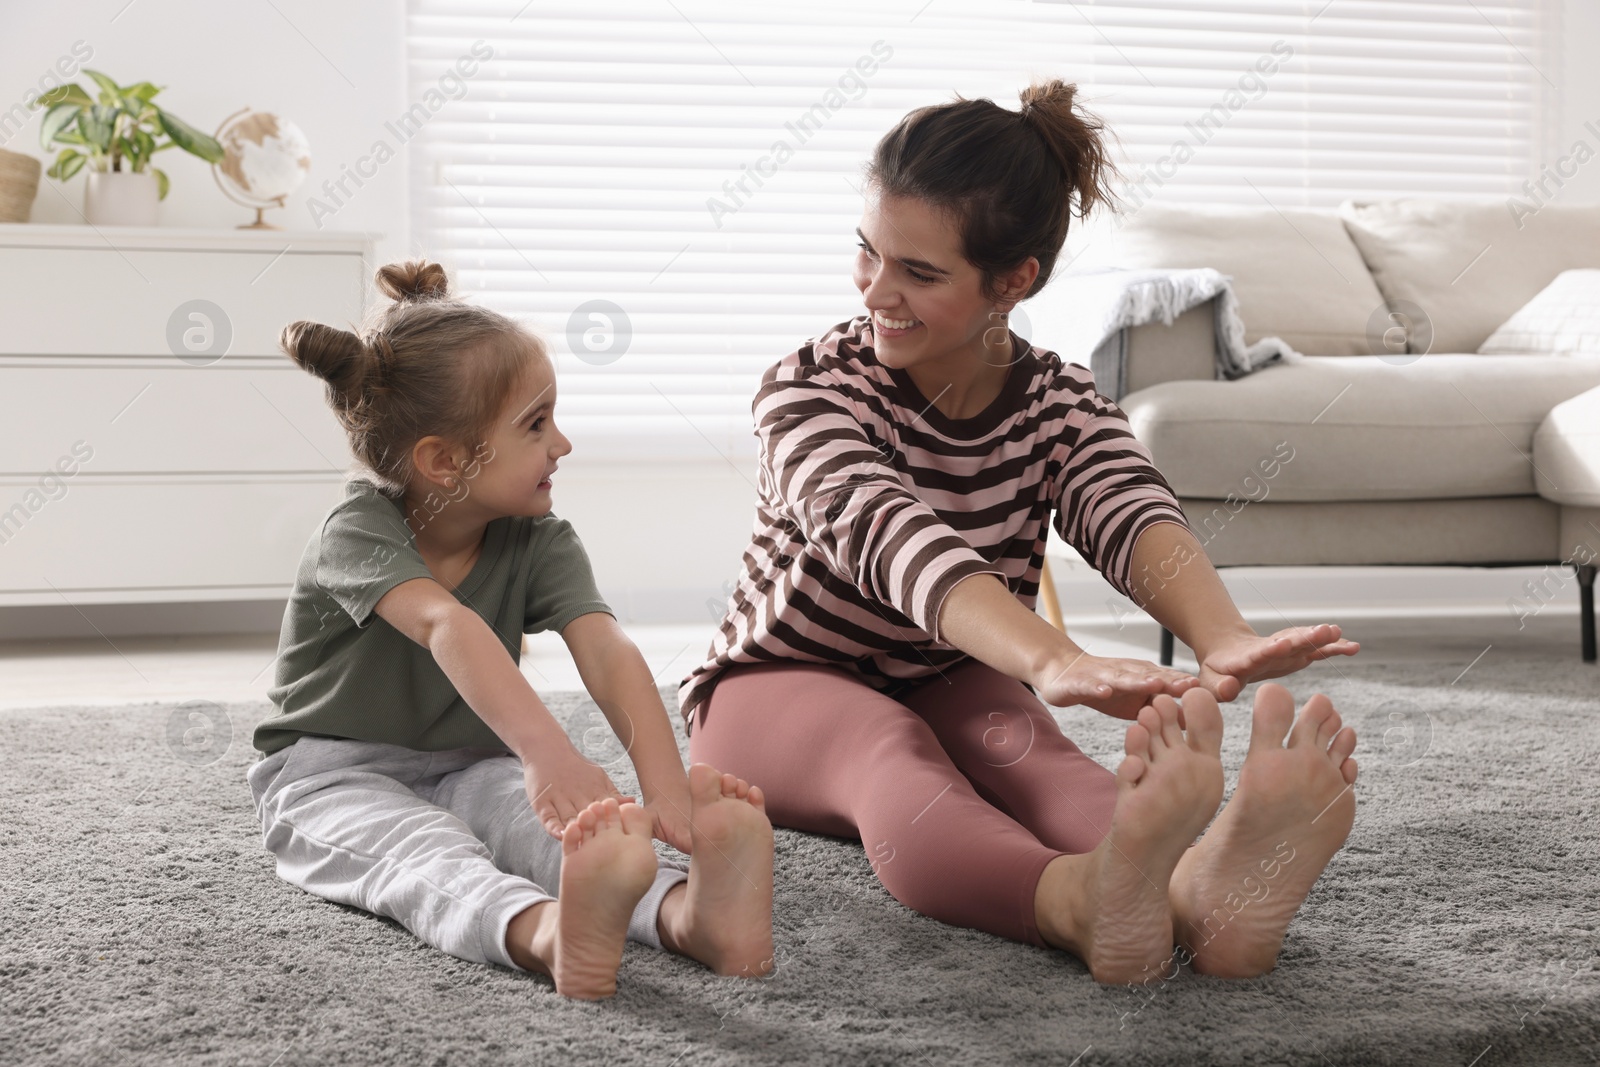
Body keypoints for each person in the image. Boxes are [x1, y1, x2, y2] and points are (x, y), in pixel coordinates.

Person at [680, 81, 1362, 985]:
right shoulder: (807, 392)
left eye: (919, 273)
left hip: (950, 670)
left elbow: (1128, 507)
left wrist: (1222, 633)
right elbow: (893, 538)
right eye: (867, 253)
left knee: (1042, 761)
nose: (878, 290)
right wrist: (1054, 660)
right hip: (777, 683)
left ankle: (1203, 898)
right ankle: (1079, 904)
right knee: (895, 756)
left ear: (1015, 280)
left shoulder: (1059, 399)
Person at [247, 260, 773, 999]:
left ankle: (693, 916)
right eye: (536, 423)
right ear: (444, 461)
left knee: (573, 832)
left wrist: (664, 791)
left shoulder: (538, 537)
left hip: (469, 762)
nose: (562, 443)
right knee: (424, 854)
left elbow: (608, 651)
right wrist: (546, 750)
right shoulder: (357, 529)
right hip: (333, 772)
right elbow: (446, 626)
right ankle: (547, 934)